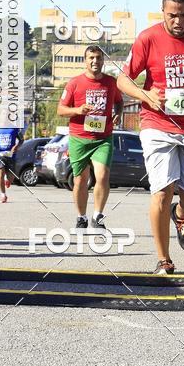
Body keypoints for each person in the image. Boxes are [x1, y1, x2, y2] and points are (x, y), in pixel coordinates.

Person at [117, 0, 184, 275]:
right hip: (157, 124)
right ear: (163, 11)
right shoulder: (148, 38)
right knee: (161, 191)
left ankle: (181, 213)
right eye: (172, 15)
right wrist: (146, 95)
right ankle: (164, 259)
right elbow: (123, 80)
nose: (178, 22)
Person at [57, 45, 123, 231]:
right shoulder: (74, 83)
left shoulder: (111, 82)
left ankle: (98, 216)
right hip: (79, 137)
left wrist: (118, 113)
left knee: (102, 176)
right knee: (80, 179)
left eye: (99, 58)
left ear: (103, 60)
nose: (95, 61)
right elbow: (60, 110)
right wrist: (77, 110)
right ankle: (81, 217)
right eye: (91, 58)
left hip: (103, 138)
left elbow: (119, 102)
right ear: (85, 61)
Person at [0, 126, 23, 203]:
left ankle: (8, 180)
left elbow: (21, 140)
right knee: (0, 173)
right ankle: (3, 195)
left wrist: (17, 146)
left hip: (10, 155)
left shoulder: (15, 128)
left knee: (11, 177)